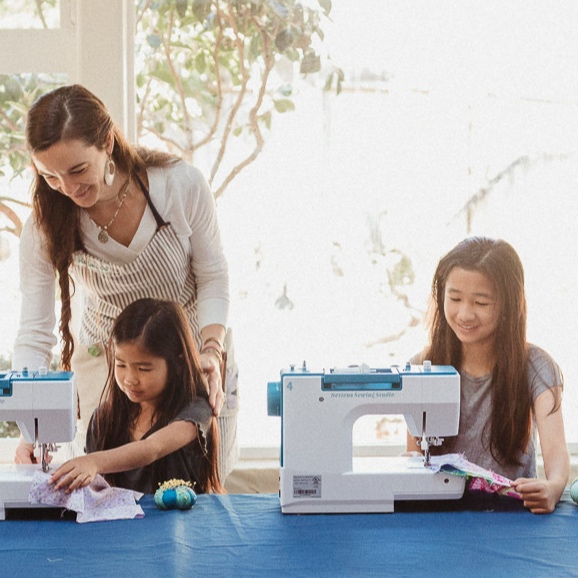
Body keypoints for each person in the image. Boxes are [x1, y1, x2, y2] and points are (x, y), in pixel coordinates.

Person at [12, 84, 238, 480]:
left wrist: (211, 351)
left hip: (192, 353)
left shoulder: (178, 186)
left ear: (108, 143)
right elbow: (34, 333)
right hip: (111, 363)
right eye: (50, 177)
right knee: (112, 483)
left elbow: (213, 276)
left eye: (78, 170)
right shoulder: (44, 227)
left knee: (194, 481)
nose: (67, 188)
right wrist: (29, 422)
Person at [407, 236, 569, 514]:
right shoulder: (423, 366)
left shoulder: (538, 367)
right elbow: (414, 455)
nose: (465, 314)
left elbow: (556, 455)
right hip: (441, 518)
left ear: (509, 304)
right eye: (455, 298)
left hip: (512, 518)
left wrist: (553, 488)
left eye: (481, 303)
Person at [49, 298, 222, 494]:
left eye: (143, 368)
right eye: (121, 365)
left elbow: (152, 448)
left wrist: (93, 461)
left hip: (182, 523)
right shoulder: (105, 419)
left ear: (178, 364)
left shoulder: (196, 411)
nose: (130, 379)